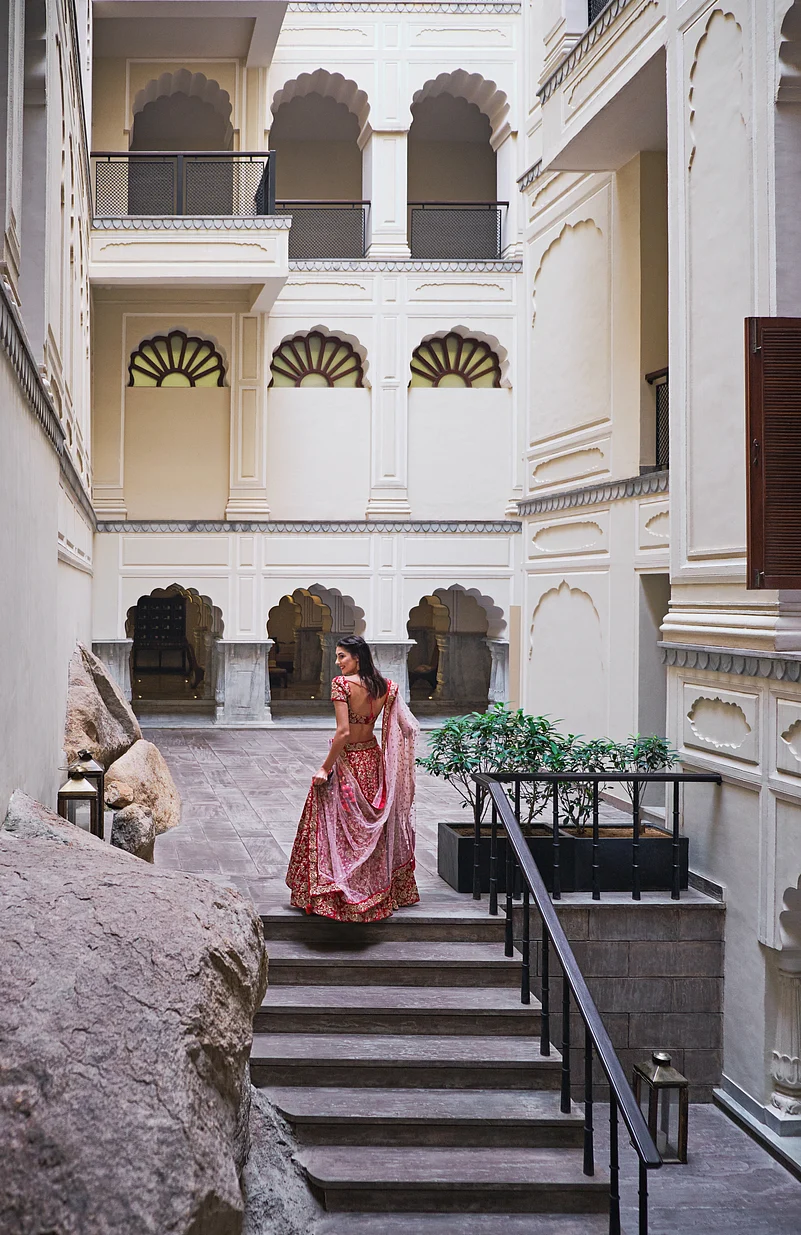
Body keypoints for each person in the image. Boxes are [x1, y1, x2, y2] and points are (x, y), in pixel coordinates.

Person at [286, 634, 420, 922]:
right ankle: (377, 890)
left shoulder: (342, 685)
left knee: (337, 826)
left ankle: (339, 892)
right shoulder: (388, 687)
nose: (338, 662)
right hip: (372, 760)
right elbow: (408, 728)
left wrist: (325, 767)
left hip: (348, 763)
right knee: (368, 830)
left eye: (341, 656)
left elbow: (344, 733)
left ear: (357, 657)